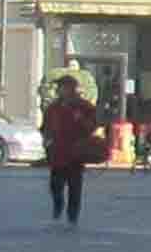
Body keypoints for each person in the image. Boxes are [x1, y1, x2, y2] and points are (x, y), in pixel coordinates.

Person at [37, 72, 103, 225]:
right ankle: (58, 207)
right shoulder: (53, 107)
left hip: (76, 153)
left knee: (75, 187)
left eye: (61, 87)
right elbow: (45, 127)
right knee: (55, 185)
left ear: (70, 88)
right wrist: (46, 140)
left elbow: (93, 126)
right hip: (57, 153)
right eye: (58, 87)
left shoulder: (84, 106)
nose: (58, 90)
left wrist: (81, 119)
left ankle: (72, 217)